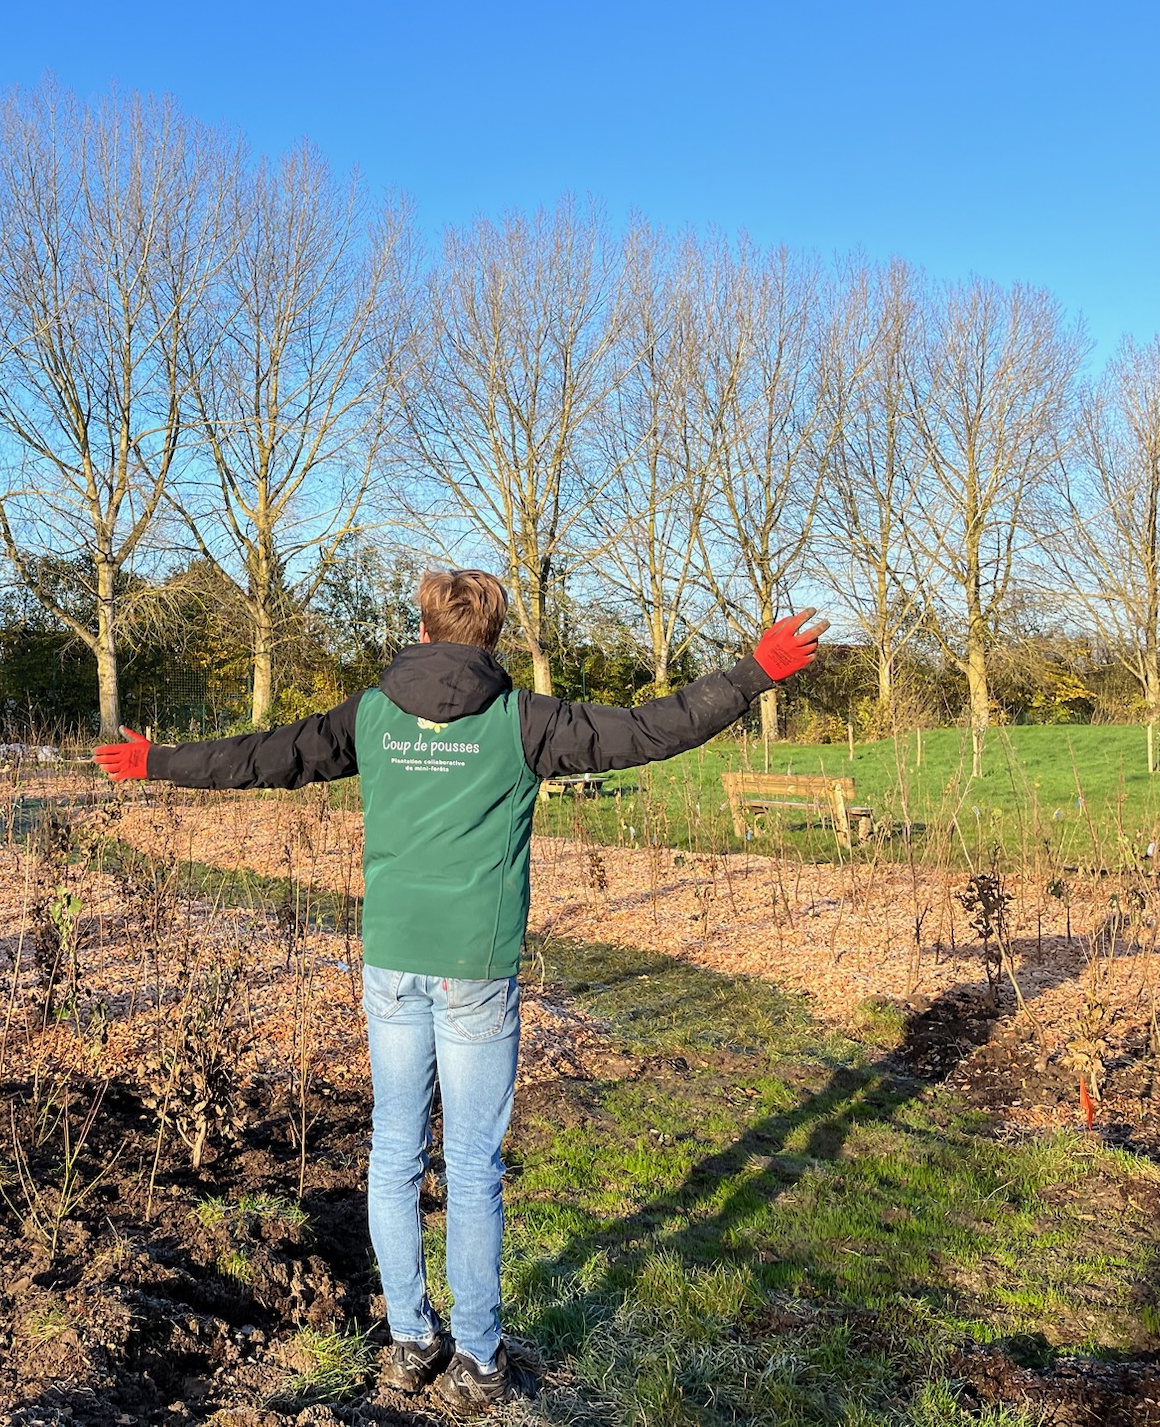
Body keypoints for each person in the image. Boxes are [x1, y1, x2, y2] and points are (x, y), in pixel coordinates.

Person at [92, 569, 827, 1415]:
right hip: (476, 968)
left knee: (394, 1153)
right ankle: (478, 1359)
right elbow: (651, 730)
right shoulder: (527, 721)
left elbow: (267, 756)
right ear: (495, 632)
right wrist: (753, 672)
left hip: (392, 962)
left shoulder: (370, 714)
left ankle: (410, 1340)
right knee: (473, 1167)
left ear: (424, 624)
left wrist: (158, 761)